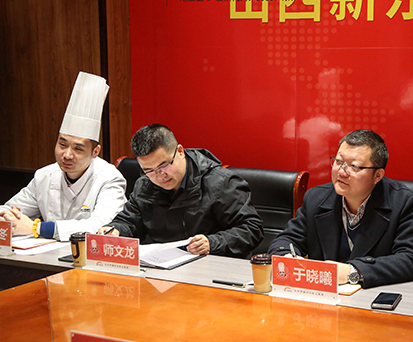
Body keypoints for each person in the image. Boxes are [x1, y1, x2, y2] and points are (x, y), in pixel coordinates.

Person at [268, 130, 413, 288]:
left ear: (378, 175)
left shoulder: (404, 203)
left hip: (374, 295)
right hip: (324, 295)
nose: (342, 172)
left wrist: (352, 271)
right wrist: (287, 258)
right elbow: (285, 240)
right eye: (338, 162)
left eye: (354, 166)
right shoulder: (316, 198)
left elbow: (411, 259)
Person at [99, 124, 263, 257]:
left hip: (211, 267)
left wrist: (212, 243)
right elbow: (130, 222)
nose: (160, 176)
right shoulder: (144, 185)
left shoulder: (220, 182)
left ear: (180, 151)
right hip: (161, 267)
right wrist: (115, 230)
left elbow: (251, 228)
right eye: (149, 170)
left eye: (164, 165)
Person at [0, 72, 126, 241]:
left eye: (78, 149)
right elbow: (8, 209)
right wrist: (8, 217)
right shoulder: (44, 176)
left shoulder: (110, 179)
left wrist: (37, 228)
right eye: (62, 144)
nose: (67, 155)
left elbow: (100, 226)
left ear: (95, 152)